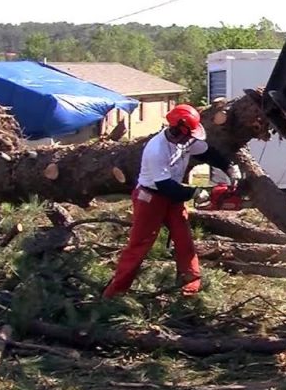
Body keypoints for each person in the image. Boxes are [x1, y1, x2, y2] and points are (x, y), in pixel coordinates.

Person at [102, 104, 241, 299]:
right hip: (151, 197)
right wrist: (194, 193)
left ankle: (190, 284)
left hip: (172, 194)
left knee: (184, 239)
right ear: (176, 130)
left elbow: (207, 152)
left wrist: (229, 167)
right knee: (140, 244)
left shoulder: (187, 139)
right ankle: (114, 292)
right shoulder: (157, 149)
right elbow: (165, 186)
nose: (190, 139)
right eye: (187, 135)